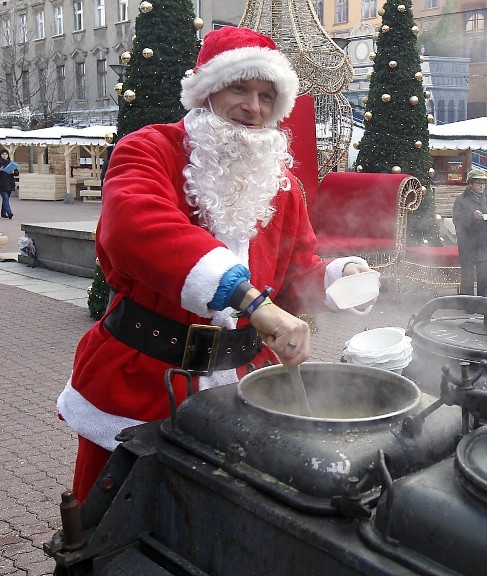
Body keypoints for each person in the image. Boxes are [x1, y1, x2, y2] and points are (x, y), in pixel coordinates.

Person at [56, 26, 374, 504]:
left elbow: (295, 273)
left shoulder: (281, 183)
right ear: (207, 91)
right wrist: (248, 298)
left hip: (241, 381)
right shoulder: (150, 149)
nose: (254, 108)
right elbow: (134, 228)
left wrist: (338, 277)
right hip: (145, 378)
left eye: (267, 96)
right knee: (113, 522)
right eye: (240, 89)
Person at [452, 168, 487, 297]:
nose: (482, 185)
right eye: (478, 183)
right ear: (470, 184)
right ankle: (467, 304)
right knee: (467, 276)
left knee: (483, 275)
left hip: (483, 242)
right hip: (467, 243)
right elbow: (457, 221)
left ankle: (483, 303)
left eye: (484, 183)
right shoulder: (461, 200)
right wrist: (472, 216)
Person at [0, 148, 18, 219]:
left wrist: (13, 172)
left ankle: (3, 213)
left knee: (6, 199)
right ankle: (9, 212)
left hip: (9, 183)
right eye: (3, 154)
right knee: (5, 197)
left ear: (8, 155)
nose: (4, 155)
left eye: (6, 154)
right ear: (0, 155)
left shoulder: (11, 163)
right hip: (0, 183)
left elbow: (17, 173)